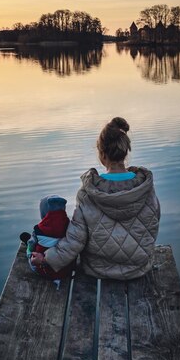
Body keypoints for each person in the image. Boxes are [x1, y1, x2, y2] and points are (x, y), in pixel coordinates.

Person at [31, 117, 160, 280]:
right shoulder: (145, 188)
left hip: (98, 270)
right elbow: (154, 222)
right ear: (126, 151)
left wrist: (47, 259)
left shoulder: (89, 192)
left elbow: (75, 240)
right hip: (139, 267)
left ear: (102, 154)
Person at [20, 195, 73, 287]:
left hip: (44, 270)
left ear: (43, 213)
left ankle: (28, 250)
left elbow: (32, 245)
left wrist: (30, 252)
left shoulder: (38, 230)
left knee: (31, 250)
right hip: (66, 270)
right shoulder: (70, 227)